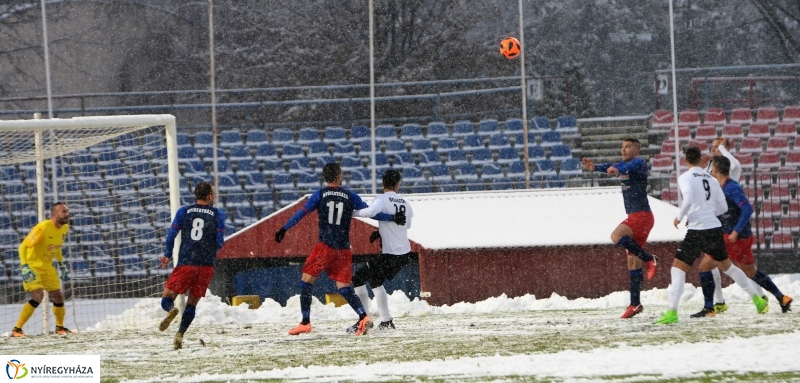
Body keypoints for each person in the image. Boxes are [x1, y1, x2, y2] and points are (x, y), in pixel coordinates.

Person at [274, 163, 405, 336]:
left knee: (306, 281)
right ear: (338, 176)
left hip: (325, 246)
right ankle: (363, 317)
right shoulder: (349, 195)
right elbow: (370, 212)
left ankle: (305, 321)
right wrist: (392, 217)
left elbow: (302, 213)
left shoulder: (320, 195)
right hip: (343, 249)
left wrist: (284, 228)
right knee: (344, 286)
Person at [655, 147, 768, 325]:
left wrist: (680, 217)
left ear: (686, 161)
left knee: (677, 268)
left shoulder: (685, 177)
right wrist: (707, 212)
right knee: (728, 267)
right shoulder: (711, 178)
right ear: (701, 160)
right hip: (715, 228)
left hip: (698, 230)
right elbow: (722, 208)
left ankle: (672, 312)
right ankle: (757, 299)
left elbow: (689, 199)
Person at [690, 156, 792, 317]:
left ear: (716, 169)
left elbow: (748, 210)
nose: (710, 170)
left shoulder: (731, 188)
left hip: (734, 238)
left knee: (705, 266)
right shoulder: (722, 186)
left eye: (712, 168)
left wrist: (735, 231)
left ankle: (709, 308)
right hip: (742, 237)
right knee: (750, 272)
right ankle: (782, 298)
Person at [581, 138, 658, 319]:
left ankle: (650, 259)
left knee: (616, 236)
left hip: (642, 216)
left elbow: (624, 168)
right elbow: (611, 165)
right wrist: (595, 168)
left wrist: (618, 169)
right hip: (637, 217)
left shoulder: (638, 162)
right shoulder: (624, 164)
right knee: (633, 262)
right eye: (622, 147)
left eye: (628, 147)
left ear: (636, 149)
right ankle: (635, 303)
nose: (623, 150)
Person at [158, 182, 226, 350]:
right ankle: (180, 334)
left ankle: (172, 310)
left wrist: (167, 254)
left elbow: (172, 235)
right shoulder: (218, 214)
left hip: (187, 262)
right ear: (209, 196)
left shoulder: (184, 211)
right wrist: (208, 252)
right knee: (192, 304)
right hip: (206, 266)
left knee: (167, 296)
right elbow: (219, 242)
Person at [348, 169, 415, 332]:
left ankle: (367, 320)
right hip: (404, 253)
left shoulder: (381, 199)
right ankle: (381, 321)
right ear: (398, 184)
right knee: (374, 280)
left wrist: (350, 213)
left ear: (382, 184)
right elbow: (406, 226)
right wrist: (381, 232)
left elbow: (370, 212)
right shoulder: (406, 204)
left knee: (358, 278)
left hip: (390, 254)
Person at [11, 202, 72, 337]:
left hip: (47, 266)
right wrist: (25, 266)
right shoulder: (43, 228)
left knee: (58, 295)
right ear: (54, 214)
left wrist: (62, 264)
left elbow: (57, 248)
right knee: (38, 296)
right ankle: (17, 329)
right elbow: (22, 247)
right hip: (32, 266)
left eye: (67, 211)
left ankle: (60, 328)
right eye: (64, 212)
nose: (68, 214)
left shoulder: (64, 228)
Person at [700, 137, 742, 312]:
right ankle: (719, 301)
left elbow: (733, 165)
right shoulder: (710, 168)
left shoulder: (731, 166)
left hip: (728, 218)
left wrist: (723, 149)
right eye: (712, 147)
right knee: (711, 261)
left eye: (717, 147)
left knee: (741, 265)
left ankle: (759, 295)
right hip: (713, 216)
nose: (714, 150)